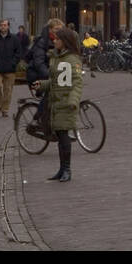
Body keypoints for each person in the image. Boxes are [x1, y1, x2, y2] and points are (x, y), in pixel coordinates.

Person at [32, 26, 83, 183]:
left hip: (66, 103)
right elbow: (56, 82)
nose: (55, 41)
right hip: (56, 102)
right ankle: (62, 169)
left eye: (58, 39)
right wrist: (42, 84)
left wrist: (73, 101)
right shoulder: (56, 57)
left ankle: (67, 169)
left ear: (65, 42)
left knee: (64, 136)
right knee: (60, 137)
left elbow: (77, 83)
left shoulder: (72, 60)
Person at [0, 18, 23, 118]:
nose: (3, 27)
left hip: (10, 70)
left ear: (8, 26)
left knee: (8, 91)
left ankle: (5, 110)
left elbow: (19, 53)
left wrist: (13, 63)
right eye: (1, 25)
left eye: (5, 25)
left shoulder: (14, 39)